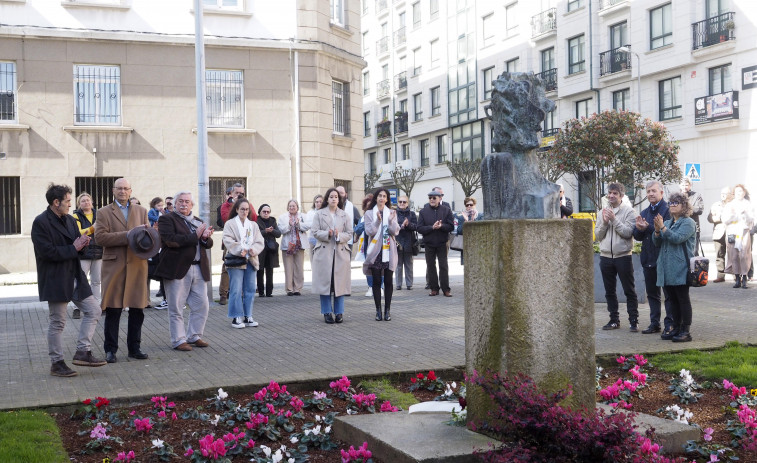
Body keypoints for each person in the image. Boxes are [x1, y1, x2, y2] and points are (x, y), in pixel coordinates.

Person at [32, 184, 107, 377]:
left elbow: (75, 244)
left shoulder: (70, 220)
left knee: (94, 310)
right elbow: (46, 252)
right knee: (58, 322)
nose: (69, 204)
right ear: (55, 202)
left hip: (75, 275)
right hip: (56, 277)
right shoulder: (41, 222)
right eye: (67, 201)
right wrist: (74, 247)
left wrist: (82, 245)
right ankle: (57, 363)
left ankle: (83, 351)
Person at [95, 178, 151, 364]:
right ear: (113, 190)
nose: (123, 191)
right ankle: (110, 350)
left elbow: (147, 237)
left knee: (137, 309)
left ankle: (134, 348)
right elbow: (100, 238)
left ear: (130, 190)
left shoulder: (142, 211)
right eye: (119, 188)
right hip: (114, 266)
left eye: (126, 188)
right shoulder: (103, 212)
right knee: (113, 310)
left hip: (137, 265)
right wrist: (127, 235)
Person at [154, 191, 214, 350]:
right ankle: (179, 340)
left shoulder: (198, 221)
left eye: (187, 201)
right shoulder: (166, 219)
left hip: (198, 267)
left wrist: (205, 237)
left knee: (202, 305)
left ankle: (194, 336)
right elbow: (171, 241)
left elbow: (206, 244)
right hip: (177, 268)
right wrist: (196, 236)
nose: (184, 204)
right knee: (176, 307)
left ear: (192, 205)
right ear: (174, 204)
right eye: (180, 201)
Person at [652, 192, 697, 342]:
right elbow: (657, 243)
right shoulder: (669, 222)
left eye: (675, 203)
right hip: (666, 268)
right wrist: (657, 230)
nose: (672, 205)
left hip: (681, 267)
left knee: (683, 299)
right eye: (670, 203)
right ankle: (675, 328)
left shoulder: (688, 222)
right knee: (671, 300)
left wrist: (662, 228)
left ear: (684, 205)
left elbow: (677, 238)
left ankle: (686, 331)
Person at [595, 182, 639, 332]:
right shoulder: (602, 212)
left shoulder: (629, 211)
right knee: (609, 291)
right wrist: (605, 223)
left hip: (623, 256)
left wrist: (614, 219)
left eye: (615, 193)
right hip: (606, 256)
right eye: (610, 193)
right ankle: (614, 320)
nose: (612, 196)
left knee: (629, 290)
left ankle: (634, 320)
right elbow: (597, 236)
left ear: (621, 196)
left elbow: (628, 233)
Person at [632, 180, 672, 335]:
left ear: (661, 192)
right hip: (648, 258)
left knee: (668, 294)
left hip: (664, 258)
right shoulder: (645, 212)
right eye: (648, 191)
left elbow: (664, 232)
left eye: (653, 191)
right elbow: (637, 236)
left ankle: (670, 324)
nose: (650, 194)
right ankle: (654, 323)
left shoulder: (668, 210)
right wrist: (639, 229)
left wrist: (647, 228)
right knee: (652, 294)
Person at [311, 188, 353, 323]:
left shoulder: (344, 215)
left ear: (339, 199)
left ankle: (339, 312)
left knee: (339, 284)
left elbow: (350, 233)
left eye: (336, 197)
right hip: (324, 253)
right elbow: (315, 232)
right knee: (325, 284)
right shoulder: (319, 214)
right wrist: (327, 234)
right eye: (331, 196)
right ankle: (327, 312)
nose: (334, 199)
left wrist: (339, 235)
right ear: (327, 199)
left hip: (340, 252)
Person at [222, 198, 264, 329]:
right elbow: (227, 239)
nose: (245, 212)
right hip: (236, 260)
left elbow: (259, 241)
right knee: (236, 289)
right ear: (236, 210)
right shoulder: (230, 224)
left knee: (250, 289)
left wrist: (253, 250)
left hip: (251, 259)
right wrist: (240, 249)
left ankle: (248, 315)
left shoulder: (253, 225)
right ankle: (236, 316)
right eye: (242, 209)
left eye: (247, 209)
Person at [363, 188, 400, 321]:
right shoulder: (368, 213)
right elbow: (369, 231)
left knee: (389, 281)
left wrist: (390, 221)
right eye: (380, 196)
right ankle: (378, 310)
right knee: (377, 281)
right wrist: (378, 221)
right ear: (376, 198)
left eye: (384, 196)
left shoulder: (391, 212)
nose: (382, 198)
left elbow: (395, 231)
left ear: (387, 199)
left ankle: (387, 310)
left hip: (388, 251)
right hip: (375, 252)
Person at [417, 190, 455, 297]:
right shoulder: (423, 212)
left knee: (443, 266)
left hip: (442, 242)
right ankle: (434, 288)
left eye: (434, 198)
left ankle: (446, 289)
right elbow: (419, 228)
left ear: (440, 198)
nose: (432, 200)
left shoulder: (446, 210)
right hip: (429, 243)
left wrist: (441, 226)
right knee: (430, 266)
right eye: (430, 198)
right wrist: (431, 227)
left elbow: (451, 226)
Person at [72, 192, 103, 320]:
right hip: (83, 252)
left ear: (92, 202)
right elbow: (78, 232)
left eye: (88, 200)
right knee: (80, 280)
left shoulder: (99, 214)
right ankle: (76, 308)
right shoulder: (75, 216)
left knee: (96, 281)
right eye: (83, 201)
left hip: (98, 250)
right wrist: (92, 228)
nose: (86, 202)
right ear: (79, 204)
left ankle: (97, 306)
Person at [218, 183, 250, 305]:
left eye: (241, 193)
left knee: (245, 266)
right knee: (227, 266)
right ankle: (223, 294)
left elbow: (253, 218)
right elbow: (226, 220)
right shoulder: (225, 205)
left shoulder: (247, 204)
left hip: (245, 241)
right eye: (237, 193)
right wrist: (235, 205)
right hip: (231, 241)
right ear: (231, 194)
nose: (239, 195)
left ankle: (241, 292)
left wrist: (244, 206)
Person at [723, 184, 753, 289]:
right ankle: (737, 278)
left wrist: (746, 215)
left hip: (744, 232)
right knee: (734, 255)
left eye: (741, 191)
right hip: (732, 232)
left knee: (744, 254)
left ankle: (744, 277)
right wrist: (733, 216)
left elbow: (752, 220)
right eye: (737, 192)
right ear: (734, 193)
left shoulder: (748, 204)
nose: (739, 193)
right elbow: (725, 220)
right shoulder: (729, 205)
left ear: (744, 193)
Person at [278, 199, 309, 296]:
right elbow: (280, 230)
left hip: (299, 245)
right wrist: (289, 225)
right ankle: (289, 289)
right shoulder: (282, 217)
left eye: (294, 206)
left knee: (299, 267)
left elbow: (307, 226)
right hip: (288, 246)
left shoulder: (303, 216)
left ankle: (297, 288)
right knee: (288, 267)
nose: (292, 207)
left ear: (297, 207)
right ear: (288, 207)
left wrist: (298, 224)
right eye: (290, 206)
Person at [708, 187, 733, 283]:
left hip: (731, 232)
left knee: (733, 255)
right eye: (722, 193)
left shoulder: (733, 205)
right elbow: (710, 218)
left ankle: (735, 275)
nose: (723, 195)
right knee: (719, 255)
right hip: (718, 233)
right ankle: (720, 275)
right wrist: (718, 218)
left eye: (725, 193)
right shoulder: (716, 205)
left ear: (730, 195)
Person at [256, 203, 281, 297]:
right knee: (260, 270)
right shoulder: (256, 221)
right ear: (260, 212)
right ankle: (261, 292)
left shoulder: (273, 221)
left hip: (271, 248)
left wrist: (272, 231)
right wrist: (265, 231)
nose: (266, 213)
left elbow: (278, 234)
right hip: (260, 249)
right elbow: (255, 234)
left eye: (268, 212)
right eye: (264, 211)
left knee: (270, 270)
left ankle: (269, 292)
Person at [395, 195, 417, 290]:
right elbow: (391, 226)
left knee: (409, 264)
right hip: (397, 241)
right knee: (398, 265)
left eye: (404, 202)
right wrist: (401, 225)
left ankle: (409, 284)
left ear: (408, 203)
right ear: (398, 203)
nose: (402, 204)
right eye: (400, 202)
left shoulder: (412, 214)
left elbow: (416, 227)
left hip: (409, 242)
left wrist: (408, 225)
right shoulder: (394, 213)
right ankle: (398, 284)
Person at [454, 196, 483, 265]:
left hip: (478, 244)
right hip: (466, 245)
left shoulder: (480, 215)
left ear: (474, 205)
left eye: (471, 205)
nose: (469, 206)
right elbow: (459, 231)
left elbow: (480, 229)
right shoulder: (461, 217)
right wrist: (466, 221)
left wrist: (473, 219)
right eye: (467, 205)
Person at [680, 177, 704, 255]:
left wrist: (686, 210)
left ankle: (693, 267)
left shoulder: (696, 195)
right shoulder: (676, 196)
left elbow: (699, 209)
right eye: (683, 185)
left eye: (687, 185)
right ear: (680, 186)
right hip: (679, 227)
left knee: (694, 252)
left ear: (690, 186)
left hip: (694, 228)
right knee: (681, 252)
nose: (685, 187)